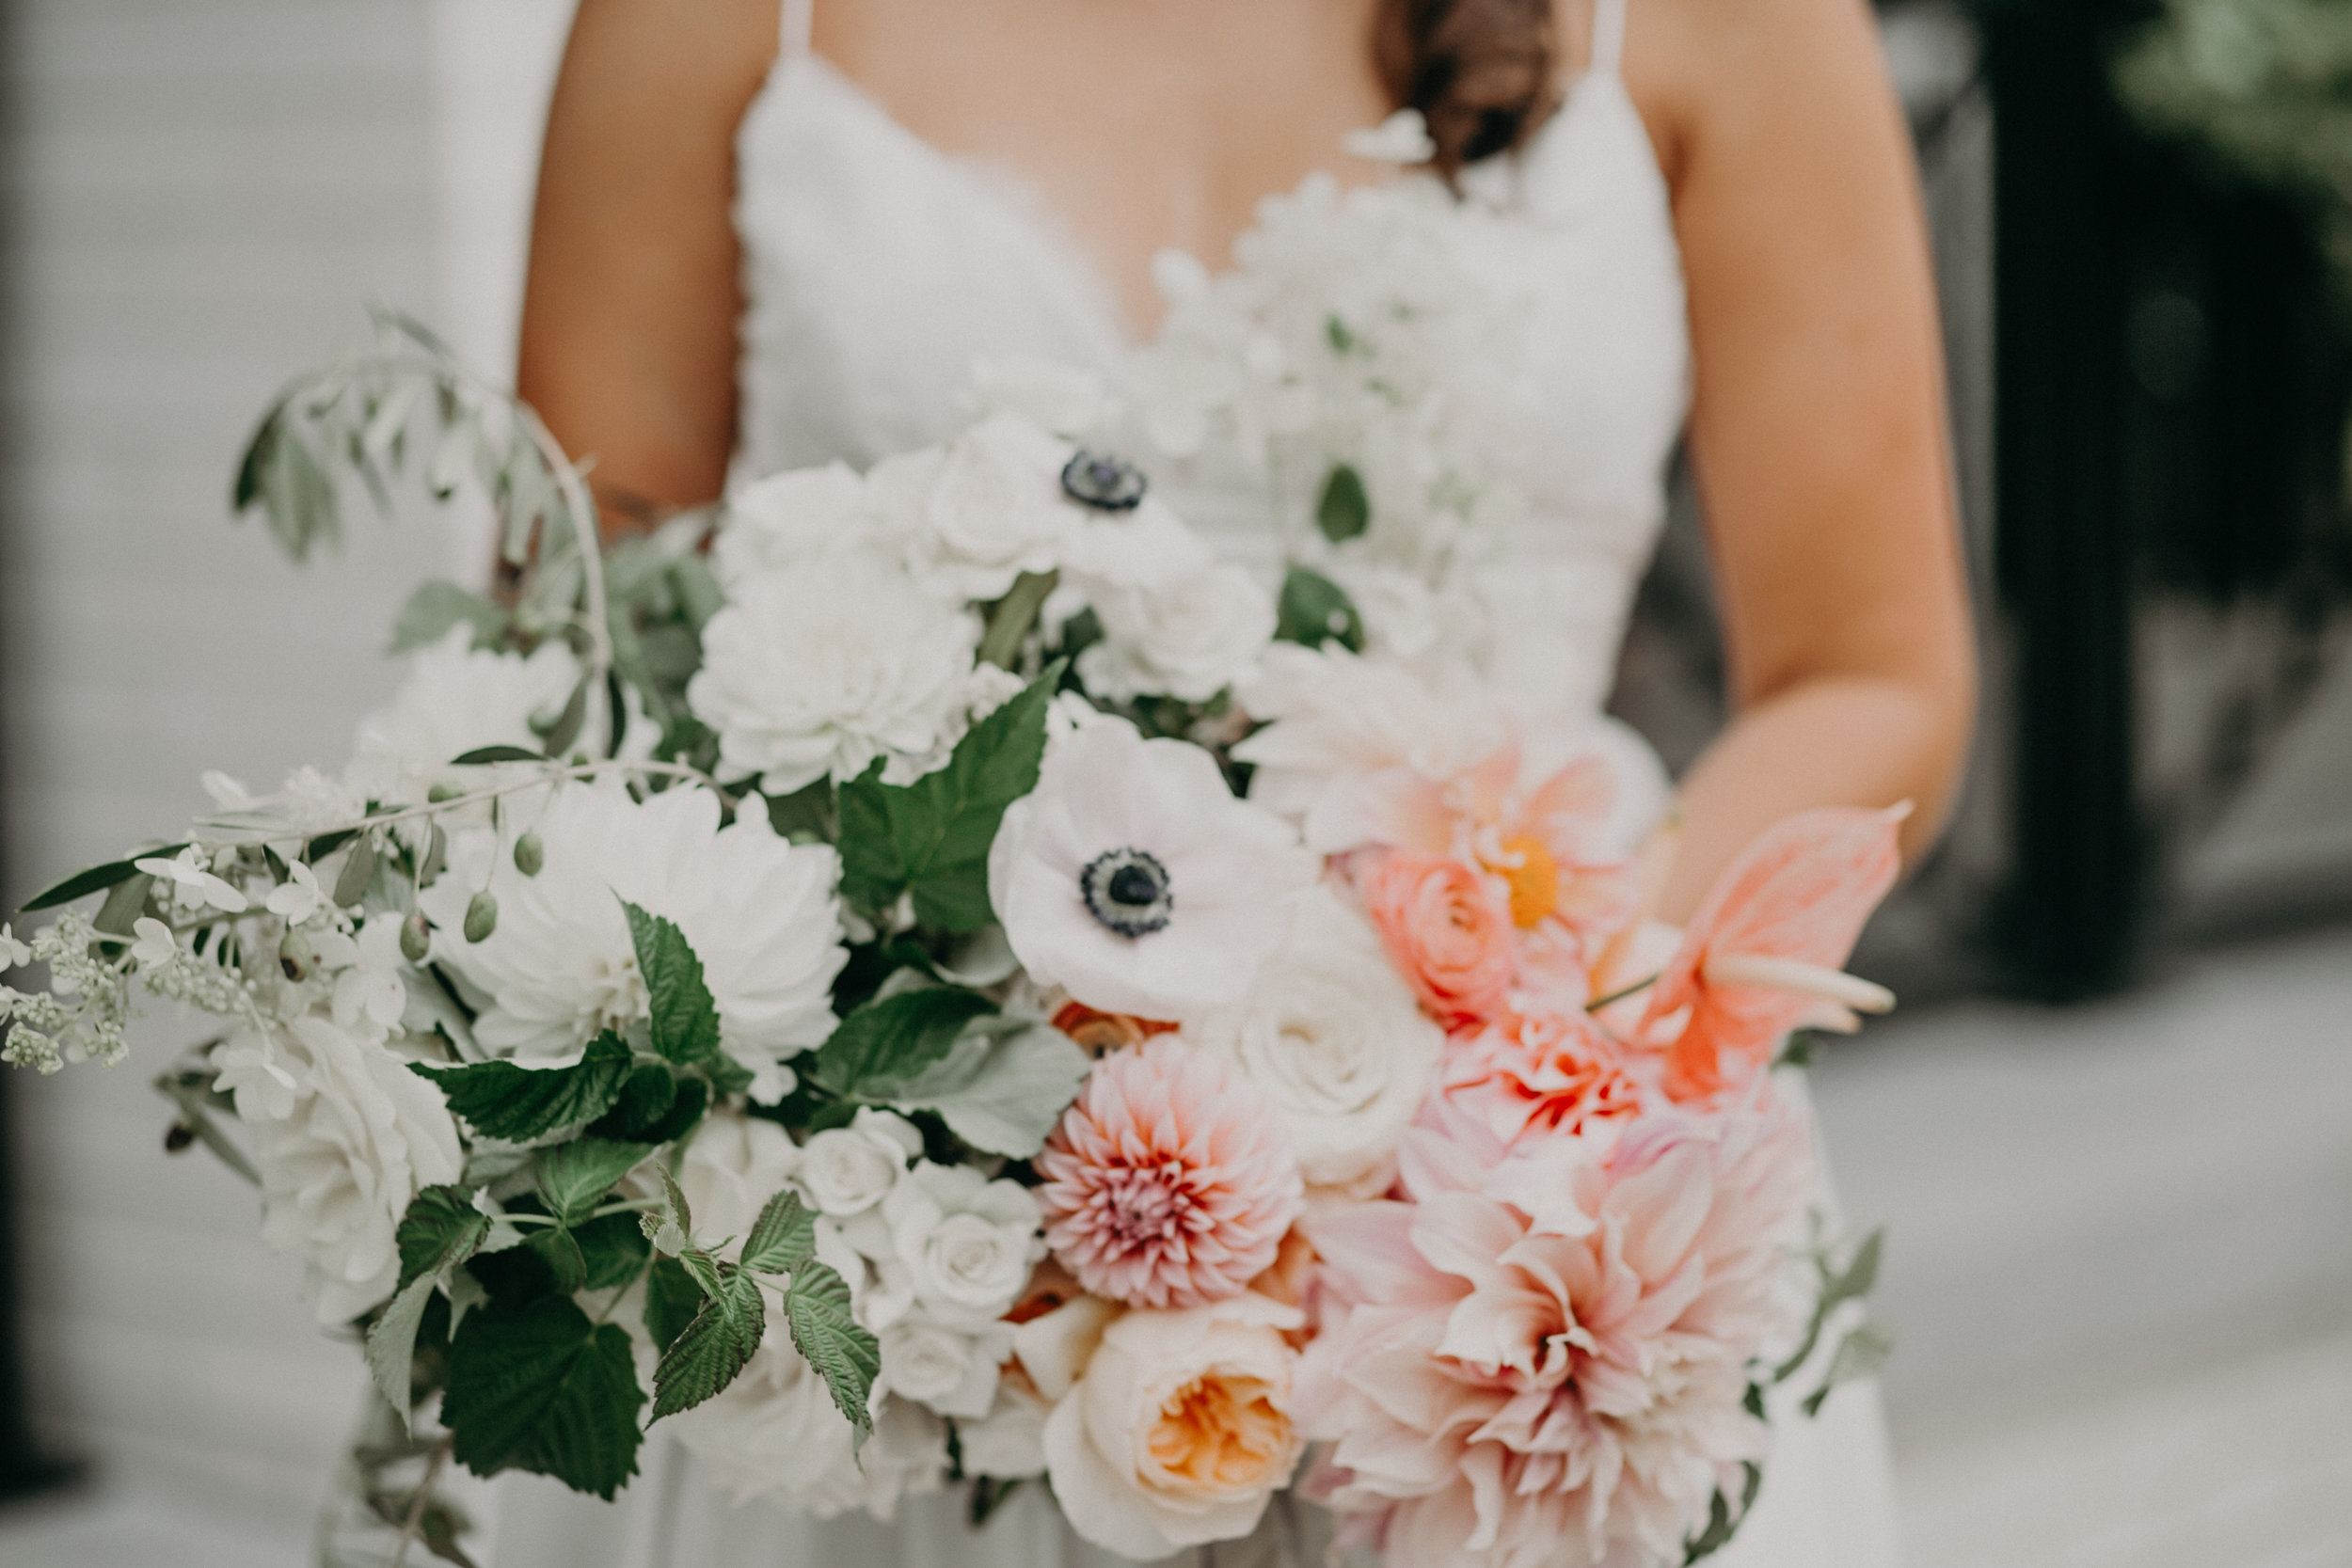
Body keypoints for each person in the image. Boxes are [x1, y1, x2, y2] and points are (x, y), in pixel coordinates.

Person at [490, 0, 1972, 1562]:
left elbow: (1867, 674)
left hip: (1513, 1280)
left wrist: (1530, 1072)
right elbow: (581, 650)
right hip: (884, 1283)